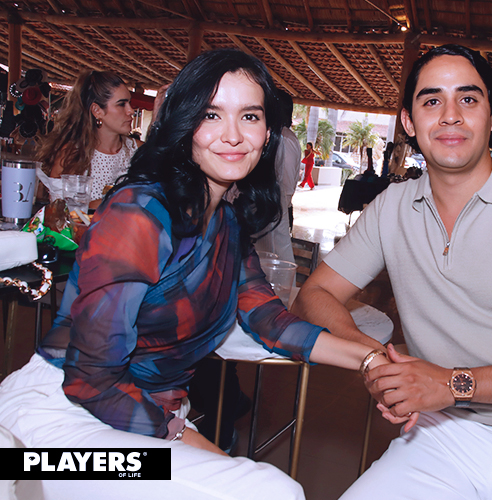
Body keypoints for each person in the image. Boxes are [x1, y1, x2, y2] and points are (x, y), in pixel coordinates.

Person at [0, 49, 392, 500]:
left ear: (267, 133)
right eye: (211, 114)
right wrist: (184, 436)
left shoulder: (226, 224)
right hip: (57, 424)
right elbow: (91, 378)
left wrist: (371, 360)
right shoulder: (139, 213)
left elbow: (270, 321)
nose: (233, 135)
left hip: (140, 418)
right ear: (185, 123)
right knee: (269, 493)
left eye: (249, 116)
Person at [292, 44, 492, 499]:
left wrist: (451, 384)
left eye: (468, 98)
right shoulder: (393, 207)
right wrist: (374, 361)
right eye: (431, 101)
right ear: (409, 122)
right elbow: (314, 295)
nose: (450, 115)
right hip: (441, 431)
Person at [36, 71, 141, 208]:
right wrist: (113, 201)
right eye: (121, 104)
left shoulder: (139, 151)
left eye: (129, 103)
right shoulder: (71, 154)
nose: (131, 110)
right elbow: (60, 211)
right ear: (97, 110)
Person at [255, 89, 300, 260]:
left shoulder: (284, 139)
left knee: (273, 260)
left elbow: (286, 186)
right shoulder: (275, 136)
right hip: (270, 211)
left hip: (276, 213)